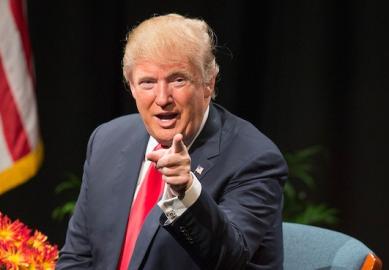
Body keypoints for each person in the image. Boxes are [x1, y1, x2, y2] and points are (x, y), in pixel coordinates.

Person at [57, 13, 288, 270]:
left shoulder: (254, 158)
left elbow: (229, 258)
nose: (162, 97)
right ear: (131, 87)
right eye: (147, 82)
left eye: (178, 79)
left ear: (208, 83)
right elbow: (77, 258)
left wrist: (186, 193)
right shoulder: (107, 140)